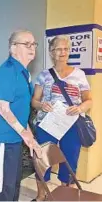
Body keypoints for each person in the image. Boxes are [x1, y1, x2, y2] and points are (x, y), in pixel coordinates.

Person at [31, 35, 93, 201]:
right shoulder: (44, 75)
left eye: (66, 49)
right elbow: (34, 100)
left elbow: (89, 100)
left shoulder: (79, 75)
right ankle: (41, 195)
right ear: (51, 52)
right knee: (42, 160)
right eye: (58, 48)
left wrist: (79, 108)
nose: (62, 52)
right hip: (47, 123)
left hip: (71, 124)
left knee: (70, 160)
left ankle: (67, 194)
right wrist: (41, 105)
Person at [0, 30, 42, 201]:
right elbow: (2, 108)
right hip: (5, 138)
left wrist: (29, 137)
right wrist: (25, 133)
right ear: (13, 48)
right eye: (26, 44)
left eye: (33, 44)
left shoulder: (24, 73)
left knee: (13, 184)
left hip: (16, 137)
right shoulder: (8, 71)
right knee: (4, 188)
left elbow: (20, 110)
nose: (32, 47)